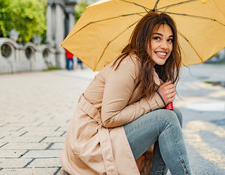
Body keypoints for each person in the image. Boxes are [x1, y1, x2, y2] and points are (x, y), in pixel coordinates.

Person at [60, 11, 192, 175]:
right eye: (157, 38)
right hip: (90, 146)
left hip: (108, 136)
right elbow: (109, 118)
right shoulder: (128, 65)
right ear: (143, 40)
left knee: (174, 114)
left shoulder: (149, 69)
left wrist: (160, 96)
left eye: (169, 40)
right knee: (167, 119)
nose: (165, 46)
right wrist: (156, 100)